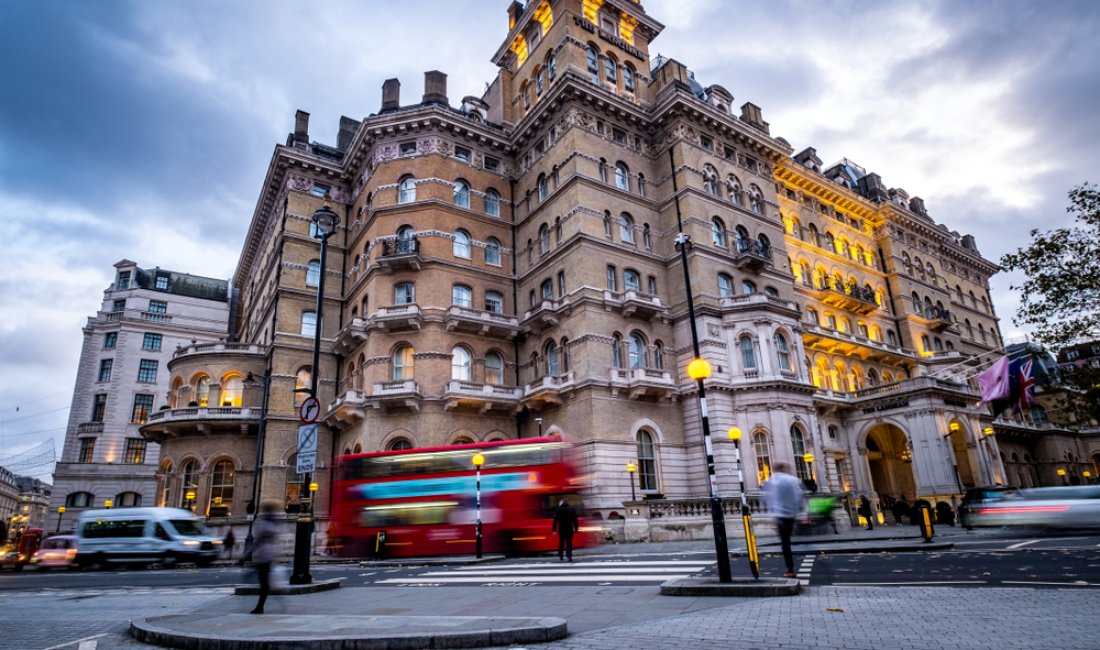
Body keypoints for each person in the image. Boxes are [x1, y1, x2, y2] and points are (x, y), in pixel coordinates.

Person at [763, 461, 805, 578]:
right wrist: (798, 512)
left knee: (785, 543)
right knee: (788, 541)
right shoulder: (793, 480)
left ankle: (790, 569)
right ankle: (791, 567)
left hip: (780, 516)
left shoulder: (771, 480)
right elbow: (799, 496)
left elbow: (768, 498)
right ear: (783, 468)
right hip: (791, 516)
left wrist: (773, 512)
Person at [250, 501, 280, 615]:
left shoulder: (262, 522)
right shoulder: (274, 522)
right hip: (270, 553)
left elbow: (258, 539)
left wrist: (249, 553)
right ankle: (261, 605)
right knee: (264, 581)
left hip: (262, 555)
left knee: (263, 581)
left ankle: (260, 606)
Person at [551, 498, 579, 562]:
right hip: (569, 528)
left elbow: (555, 520)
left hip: (562, 528)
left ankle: (561, 555)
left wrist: (554, 530)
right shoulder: (571, 509)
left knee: (561, 542)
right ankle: (569, 556)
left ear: (562, 502)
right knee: (569, 543)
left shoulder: (559, 510)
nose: (559, 504)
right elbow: (575, 520)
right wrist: (576, 528)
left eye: (559, 502)